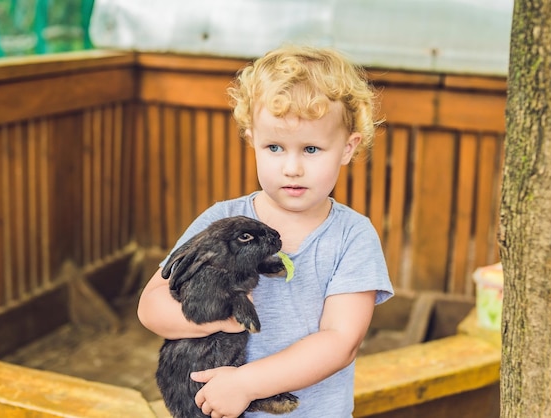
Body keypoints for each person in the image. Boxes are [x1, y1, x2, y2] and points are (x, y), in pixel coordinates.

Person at [137, 44, 394, 418]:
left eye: (310, 149)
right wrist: (220, 315)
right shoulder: (222, 220)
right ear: (251, 138)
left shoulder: (352, 236)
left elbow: (340, 341)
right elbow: (152, 304)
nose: (291, 167)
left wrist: (246, 383)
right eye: (274, 147)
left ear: (346, 148)